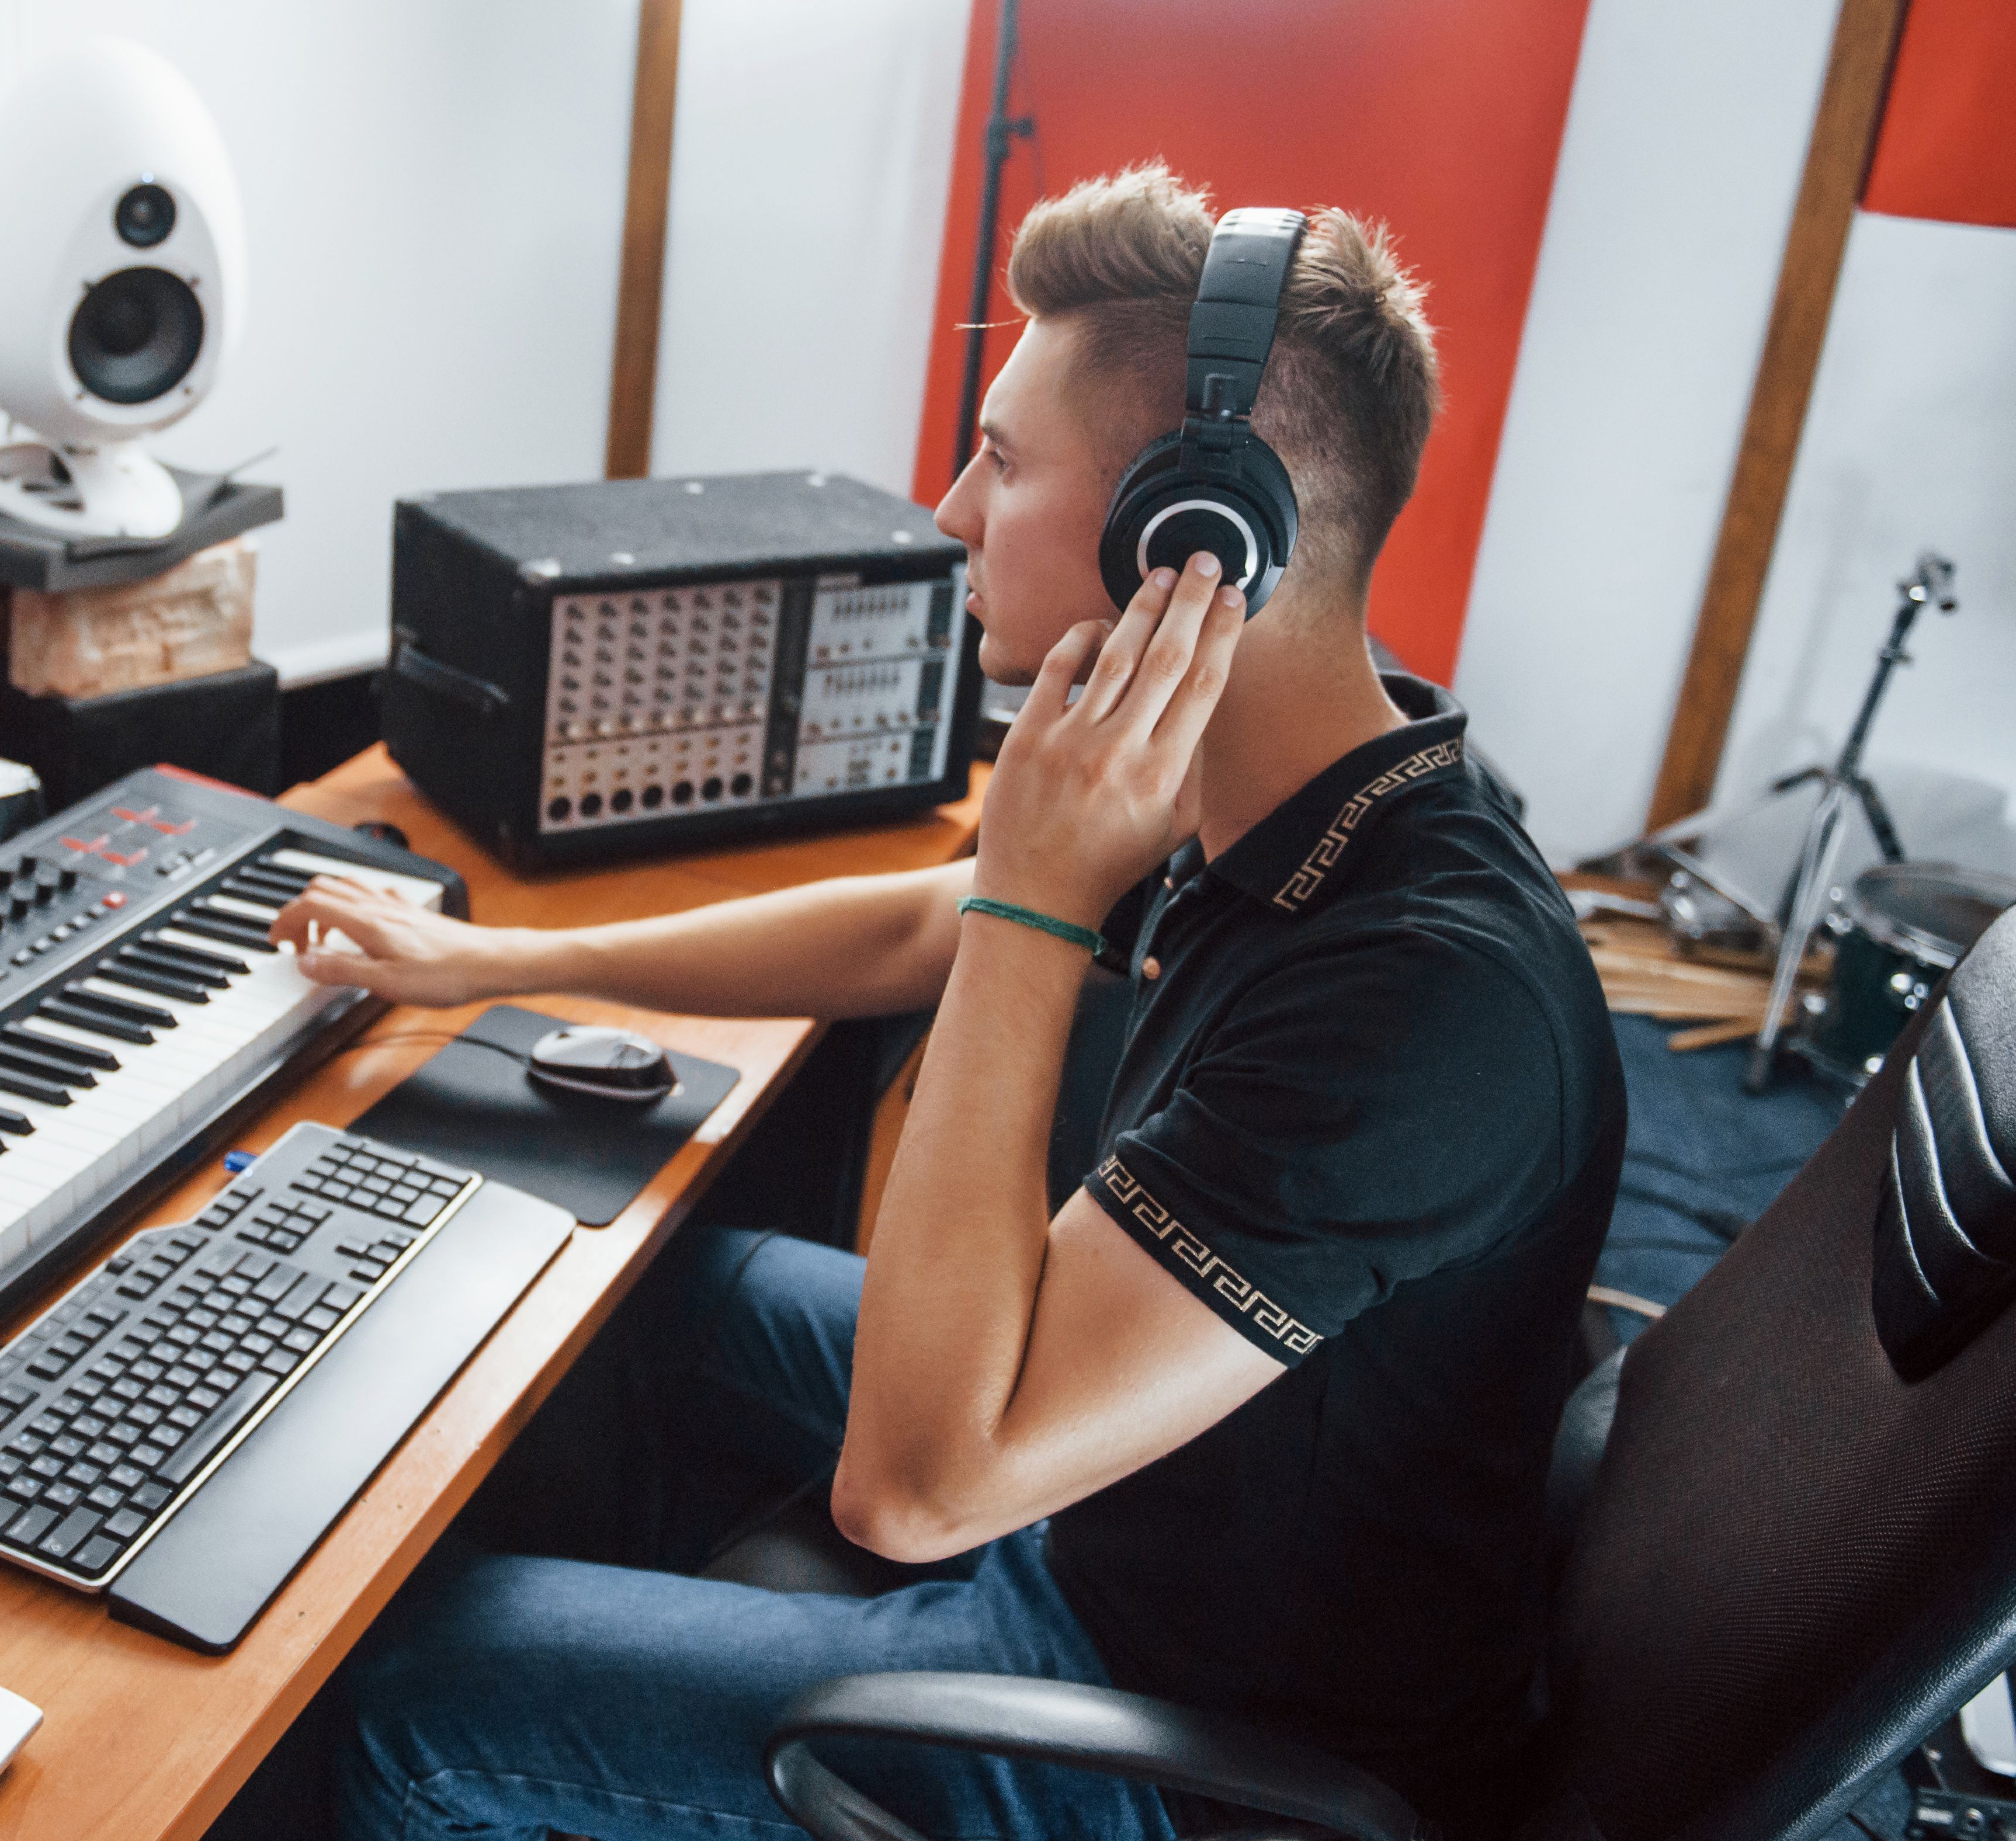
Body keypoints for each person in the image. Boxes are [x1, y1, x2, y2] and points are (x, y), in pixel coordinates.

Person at [259, 162, 1624, 1841]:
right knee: (647, 1290)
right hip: (1155, 1494)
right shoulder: (1311, 773)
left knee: (399, 1702)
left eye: (1001, 457)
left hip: (1197, 1712)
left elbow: (916, 1488)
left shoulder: (1422, 1006)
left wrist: (1044, 902)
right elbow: (929, 924)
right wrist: (494, 965)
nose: (953, 512)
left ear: (1194, 537)